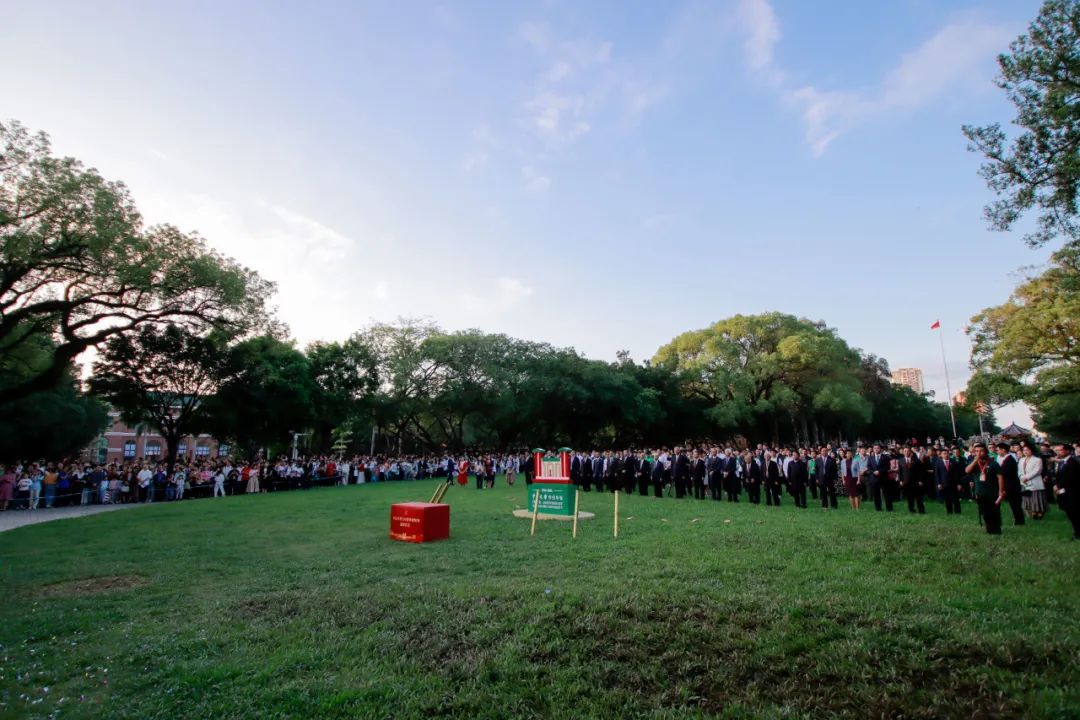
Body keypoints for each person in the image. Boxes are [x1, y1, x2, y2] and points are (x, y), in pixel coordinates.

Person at [966, 443, 1004, 535]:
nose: (979, 453)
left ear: (985, 452)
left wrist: (1001, 491)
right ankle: (989, 529)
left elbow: (1000, 477)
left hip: (992, 492)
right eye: (976, 451)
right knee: (985, 512)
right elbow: (967, 471)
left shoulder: (993, 463)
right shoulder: (974, 463)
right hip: (980, 492)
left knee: (994, 511)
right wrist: (975, 461)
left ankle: (996, 529)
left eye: (981, 451)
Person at [996, 443, 1025, 526]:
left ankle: (1019, 521)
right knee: (1013, 504)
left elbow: (1005, 473)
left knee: (1015, 504)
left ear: (1003, 450)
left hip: (1012, 485)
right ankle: (1018, 520)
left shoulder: (1010, 460)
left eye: (998, 450)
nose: (997, 452)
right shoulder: (1006, 459)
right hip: (1010, 484)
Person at [1018, 444, 1046, 520]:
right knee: (1027, 497)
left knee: (1036, 497)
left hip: (1035, 481)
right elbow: (1020, 471)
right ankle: (1032, 511)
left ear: (1032, 450)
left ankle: (1039, 512)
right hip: (1024, 482)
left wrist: (1027, 477)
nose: (1025, 451)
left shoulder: (1037, 460)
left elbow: (1037, 471)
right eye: (1024, 450)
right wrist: (1022, 477)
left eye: (1027, 450)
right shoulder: (1021, 460)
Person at [898, 446, 924, 514]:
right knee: (909, 497)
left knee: (918, 497)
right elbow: (900, 472)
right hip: (906, 482)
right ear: (903, 452)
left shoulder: (916, 460)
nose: (906, 452)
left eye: (908, 451)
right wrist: (901, 480)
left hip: (915, 482)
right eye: (905, 451)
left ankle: (921, 510)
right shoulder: (900, 460)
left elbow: (920, 471)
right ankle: (911, 509)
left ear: (910, 452)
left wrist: (920, 480)